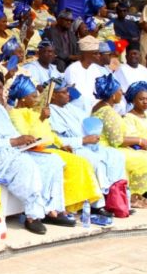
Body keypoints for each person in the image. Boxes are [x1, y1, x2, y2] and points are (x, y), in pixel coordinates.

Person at [0, 71, 72, 234]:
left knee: (53, 161)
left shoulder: (0, 109)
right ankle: (33, 215)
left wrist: (27, 142)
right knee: (24, 164)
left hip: (10, 151)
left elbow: (11, 134)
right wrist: (15, 142)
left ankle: (52, 210)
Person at [8, 75, 102, 212]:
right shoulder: (16, 114)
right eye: (33, 96)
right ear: (23, 98)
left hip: (51, 147)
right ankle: (60, 209)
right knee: (72, 164)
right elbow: (27, 136)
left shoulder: (33, 111)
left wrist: (61, 144)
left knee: (81, 162)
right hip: (36, 151)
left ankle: (76, 205)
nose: (37, 99)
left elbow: (49, 132)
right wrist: (41, 118)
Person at [49, 79, 126, 216]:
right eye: (64, 92)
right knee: (96, 162)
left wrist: (92, 136)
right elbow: (57, 140)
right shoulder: (49, 112)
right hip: (74, 148)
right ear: (53, 95)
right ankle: (97, 205)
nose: (68, 94)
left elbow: (87, 125)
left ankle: (116, 201)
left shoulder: (71, 108)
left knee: (116, 155)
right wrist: (83, 140)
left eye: (68, 91)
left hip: (90, 145)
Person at [92, 74, 147, 208]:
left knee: (142, 157)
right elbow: (116, 140)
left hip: (106, 146)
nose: (122, 93)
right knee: (144, 160)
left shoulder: (101, 107)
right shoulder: (108, 111)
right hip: (106, 149)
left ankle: (136, 196)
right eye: (120, 91)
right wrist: (139, 140)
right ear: (113, 94)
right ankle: (133, 197)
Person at [114, 42, 147, 114]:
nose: (134, 56)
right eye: (132, 54)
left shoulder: (144, 69)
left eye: (136, 54)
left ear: (140, 56)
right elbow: (126, 92)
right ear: (126, 57)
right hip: (132, 102)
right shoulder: (121, 70)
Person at [64, 35, 105, 110]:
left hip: (92, 102)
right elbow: (74, 94)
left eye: (99, 53)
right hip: (77, 105)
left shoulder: (95, 68)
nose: (99, 56)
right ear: (86, 54)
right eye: (95, 53)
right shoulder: (72, 69)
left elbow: (98, 90)